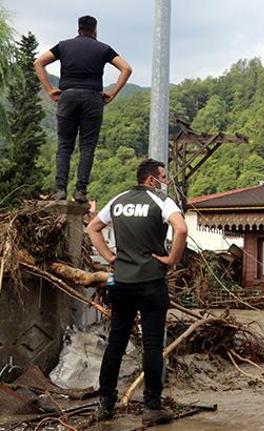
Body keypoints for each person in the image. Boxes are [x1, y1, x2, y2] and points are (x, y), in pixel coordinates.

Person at [86, 159, 187, 426]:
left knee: (116, 342)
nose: (166, 181)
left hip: (121, 283)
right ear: (151, 179)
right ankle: (152, 407)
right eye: (163, 176)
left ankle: (106, 403)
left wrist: (109, 257)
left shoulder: (118, 200)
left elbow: (92, 228)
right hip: (152, 282)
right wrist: (171, 259)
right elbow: (181, 228)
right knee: (153, 344)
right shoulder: (161, 201)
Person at [34, 15, 132, 202]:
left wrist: (49, 90)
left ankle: (60, 190)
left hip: (67, 97)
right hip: (92, 99)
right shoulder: (103, 48)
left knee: (64, 145)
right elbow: (126, 68)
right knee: (87, 147)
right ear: (95, 30)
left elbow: (38, 62)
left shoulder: (63, 45)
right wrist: (112, 93)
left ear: (78, 29)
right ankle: (81, 191)